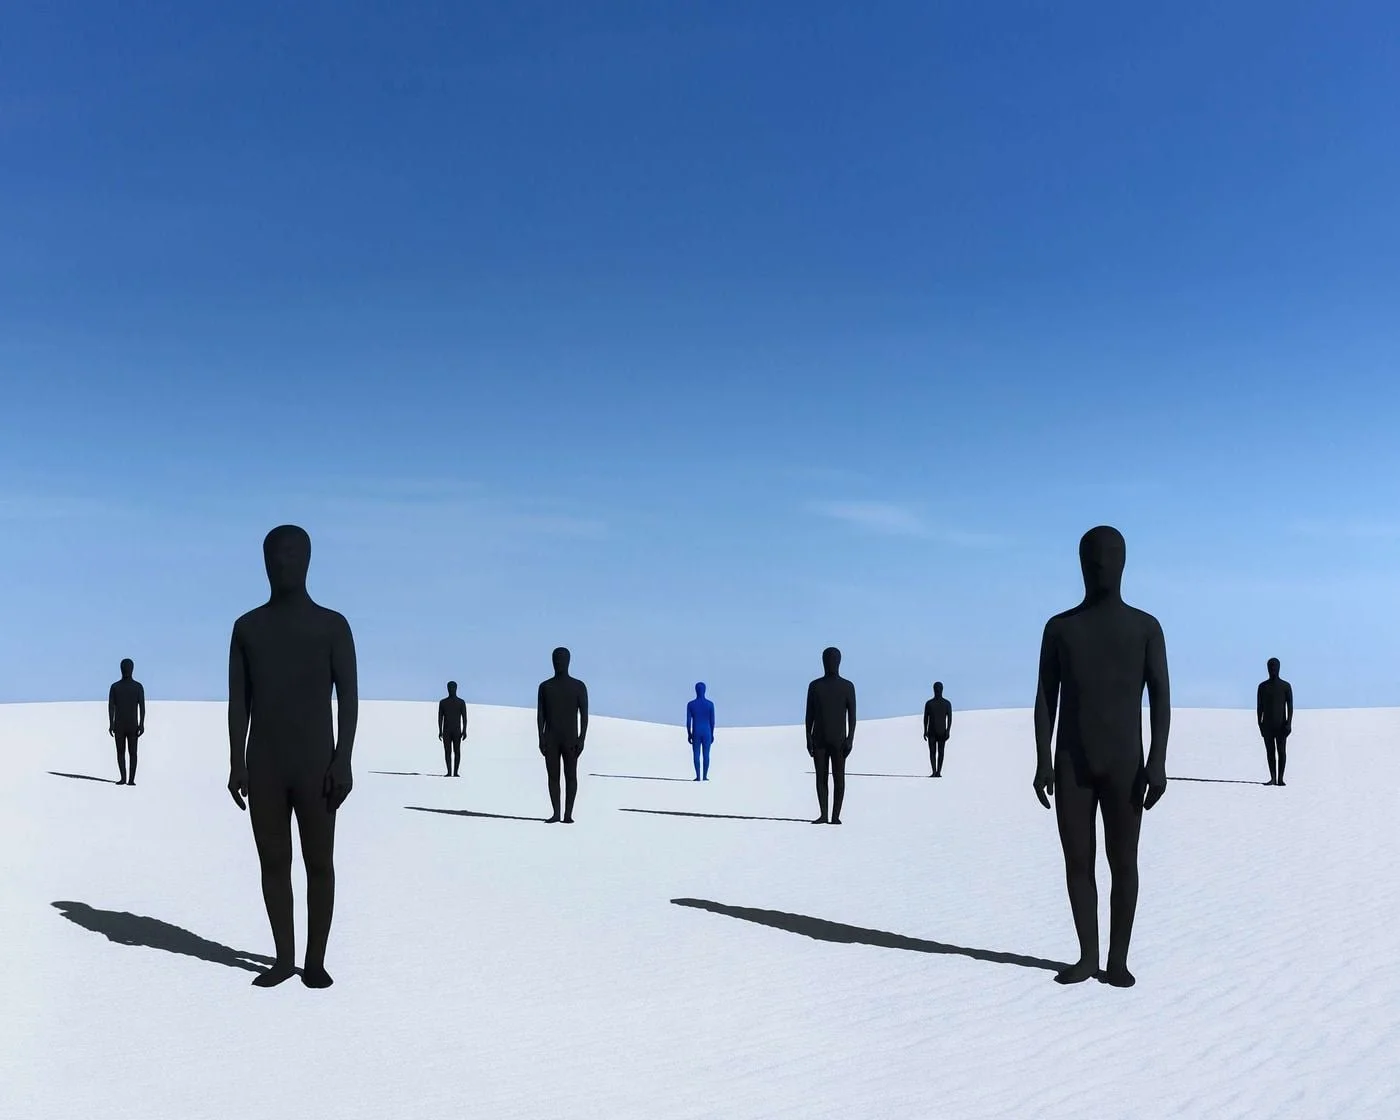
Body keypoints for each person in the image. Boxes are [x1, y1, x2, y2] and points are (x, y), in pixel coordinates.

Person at [1034, 525, 1169, 989]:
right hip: (1071, 761)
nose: (1101, 563)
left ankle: (1118, 959)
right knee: (1078, 860)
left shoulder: (1146, 628)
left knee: (1123, 860)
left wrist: (1158, 760)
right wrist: (1041, 759)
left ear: (1124, 562)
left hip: (1126, 764)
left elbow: (1161, 698)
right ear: (1080, 563)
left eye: (1110, 555)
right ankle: (1088, 955)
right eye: (1092, 556)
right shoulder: (1060, 628)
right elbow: (1045, 698)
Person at [227, 525, 358, 989]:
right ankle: (284, 959)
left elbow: (349, 698)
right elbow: (238, 701)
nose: (282, 563)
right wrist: (236, 762)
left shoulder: (333, 626)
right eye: (274, 555)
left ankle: (315, 961)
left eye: (291, 554)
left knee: (319, 860)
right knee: (273, 861)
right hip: (264, 763)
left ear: (306, 560)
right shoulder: (247, 628)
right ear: (264, 562)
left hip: (316, 764)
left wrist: (343, 758)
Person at [806, 647, 856, 824]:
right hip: (819, 739)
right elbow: (809, 715)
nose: (830, 662)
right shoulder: (815, 686)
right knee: (821, 777)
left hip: (839, 741)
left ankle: (835, 816)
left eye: (833, 659)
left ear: (839, 662)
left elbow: (852, 715)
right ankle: (824, 814)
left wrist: (850, 739)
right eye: (828, 659)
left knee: (838, 776)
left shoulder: (848, 686)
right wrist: (808, 738)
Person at [537, 647, 588, 823]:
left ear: (568, 661)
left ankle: (568, 814)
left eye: (562, 658)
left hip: (571, 739)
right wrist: (541, 737)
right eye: (555, 659)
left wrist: (582, 739)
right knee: (553, 776)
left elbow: (584, 715)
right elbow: (541, 715)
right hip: (551, 737)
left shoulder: (579, 686)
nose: (558, 662)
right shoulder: (545, 687)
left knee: (571, 775)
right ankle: (556, 813)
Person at [108, 659, 145, 785]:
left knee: (123, 752)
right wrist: (141, 724)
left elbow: (111, 707)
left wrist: (111, 723)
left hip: (121, 724)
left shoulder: (115, 687)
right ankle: (128, 779)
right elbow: (142, 707)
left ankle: (127, 778)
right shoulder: (137, 686)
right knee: (130, 752)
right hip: (130, 724)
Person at [1257, 658, 1293, 786]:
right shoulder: (1262, 687)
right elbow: (1259, 707)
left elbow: (1290, 706)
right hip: (1267, 725)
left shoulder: (1285, 686)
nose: (1272, 669)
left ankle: (1280, 778)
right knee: (1270, 752)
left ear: (1279, 668)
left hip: (1281, 725)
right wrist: (1259, 724)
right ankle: (1273, 777)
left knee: (1281, 751)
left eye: (1274, 666)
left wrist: (1289, 723)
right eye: (1270, 666)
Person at [686, 682, 716, 781]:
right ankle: (704, 776)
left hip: (696, 731)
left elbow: (688, 722)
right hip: (707, 731)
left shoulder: (691, 704)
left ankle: (698, 776)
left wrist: (689, 734)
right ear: (705, 690)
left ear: (696, 690)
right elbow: (712, 722)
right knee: (706, 754)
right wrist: (712, 734)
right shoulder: (710, 704)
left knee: (696, 754)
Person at [438, 681, 468, 777]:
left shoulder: (461, 702)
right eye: (449, 688)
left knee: (457, 751)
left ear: (456, 688)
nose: (451, 689)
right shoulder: (443, 702)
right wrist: (440, 731)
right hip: (446, 730)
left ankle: (455, 772)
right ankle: (449, 772)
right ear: (447, 689)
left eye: (453, 687)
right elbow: (440, 718)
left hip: (456, 731)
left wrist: (464, 730)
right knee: (447, 751)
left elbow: (464, 718)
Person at [922, 681, 952, 777]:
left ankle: (938, 771)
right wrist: (925, 730)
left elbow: (950, 718)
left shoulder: (947, 703)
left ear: (942, 689)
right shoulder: (929, 704)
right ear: (933, 689)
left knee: (941, 752)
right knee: (932, 752)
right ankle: (934, 771)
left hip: (941, 732)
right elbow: (926, 718)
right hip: (932, 732)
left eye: (939, 688)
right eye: (936, 688)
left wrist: (948, 730)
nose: (937, 690)